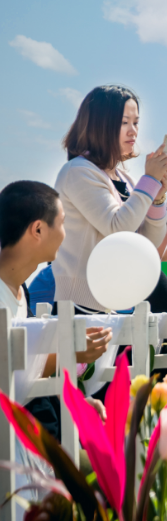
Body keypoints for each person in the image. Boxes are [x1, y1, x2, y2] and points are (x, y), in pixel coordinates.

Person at [0, 181, 112, 439]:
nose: (67, 233)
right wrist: (68, 354)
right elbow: (7, 375)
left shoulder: (20, 290)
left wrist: (77, 402)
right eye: (63, 223)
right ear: (38, 229)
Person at [53, 85, 167, 312]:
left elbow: (147, 242)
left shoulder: (125, 178)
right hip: (79, 305)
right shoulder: (78, 171)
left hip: (112, 303)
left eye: (135, 122)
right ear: (99, 124)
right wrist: (149, 180)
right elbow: (118, 229)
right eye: (123, 122)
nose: (133, 131)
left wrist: (158, 198)